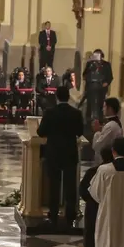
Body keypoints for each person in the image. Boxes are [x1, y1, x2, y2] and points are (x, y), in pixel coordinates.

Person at [36, 86, 86, 225]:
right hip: (70, 152)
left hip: (54, 152)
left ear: (57, 97)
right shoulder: (75, 113)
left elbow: (41, 132)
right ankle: (70, 214)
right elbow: (80, 131)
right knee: (70, 185)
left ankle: (53, 215)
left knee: (54, 185)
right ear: (68, 96)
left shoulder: (50, 112)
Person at [81, 147, 114, 247]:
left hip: (94, 206)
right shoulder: (116, 173)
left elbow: (83, 190)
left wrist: (91, 201)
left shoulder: (92, 171)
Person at [82, 50, 112, 122]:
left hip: (101, 88)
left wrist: (106, 83)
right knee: (90, 104)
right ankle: (88, 121)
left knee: (100, 104)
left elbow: (110, 76)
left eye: (98, 55)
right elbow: (84, 74)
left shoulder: (106, 64)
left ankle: (100, 120)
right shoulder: (90, 64)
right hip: (91, 87)